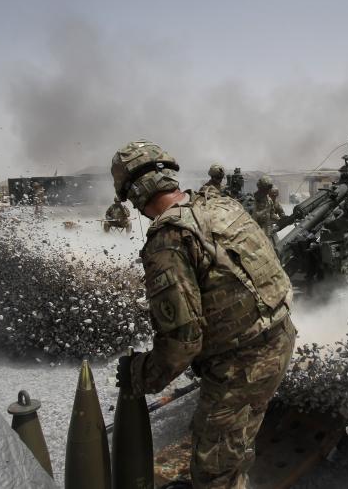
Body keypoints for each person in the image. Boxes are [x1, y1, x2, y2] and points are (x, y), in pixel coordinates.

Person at [111, 141, 295, 489]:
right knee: (236, 437)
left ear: (135, 192)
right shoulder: (222, 204)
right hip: (279, 338)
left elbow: (182, 343)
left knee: (213, 473)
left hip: (242, 367)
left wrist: (141, 375)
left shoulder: (168, 239)